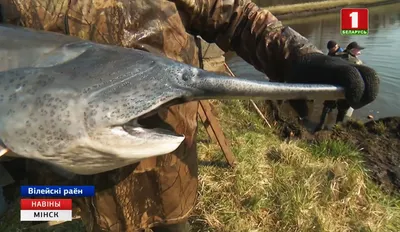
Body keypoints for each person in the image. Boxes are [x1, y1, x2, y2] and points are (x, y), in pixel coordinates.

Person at [0, 0, 379, 231]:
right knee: (51, 214)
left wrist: (300, 59)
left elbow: (237, 17)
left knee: (174, 218)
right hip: (55, 171)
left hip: (165, 160)